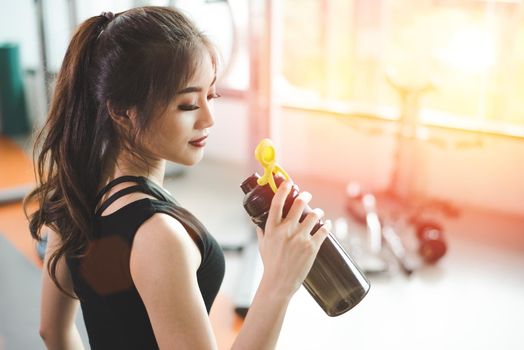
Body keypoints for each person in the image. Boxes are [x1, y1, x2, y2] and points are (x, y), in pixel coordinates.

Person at [23, 6, 329, 349]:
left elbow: (54, 331)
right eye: (187, 105)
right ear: (122, 110)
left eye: (210, 95)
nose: (209, 118)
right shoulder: (159, 238)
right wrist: (278, 281)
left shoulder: (75, 200)